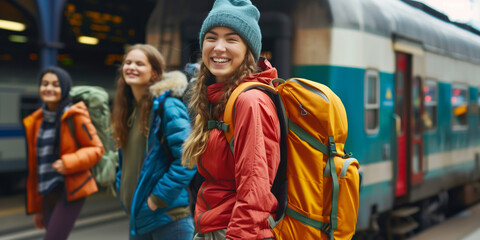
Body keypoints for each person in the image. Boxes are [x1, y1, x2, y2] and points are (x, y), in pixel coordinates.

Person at [181, 0, 281, 239]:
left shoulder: (249, 101)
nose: (219, 47)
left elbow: (255, 190)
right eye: (211, 37)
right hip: (213, 225)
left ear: (249, 50)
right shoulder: (214, 98)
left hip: (232, 231)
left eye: (232, 39)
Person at [111, 44, 196, 240]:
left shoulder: (168, 106)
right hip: (140, 219)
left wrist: (157, 198)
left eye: (140, 64)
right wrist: (121, 185)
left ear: (155, 74)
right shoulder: (129, 111)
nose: (131, 67)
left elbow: (188, 158)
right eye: (128, 62)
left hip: (168, 219)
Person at [23, 66, 105, 240]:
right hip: (47, 190)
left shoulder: (74, 115)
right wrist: (38, 207)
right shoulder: (36, 120)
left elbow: (96, 148)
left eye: (55, 84)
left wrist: (68, 163)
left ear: (65, 88)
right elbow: (36, 165)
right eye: (45, 84)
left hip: (70, 188)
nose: (49, 89)